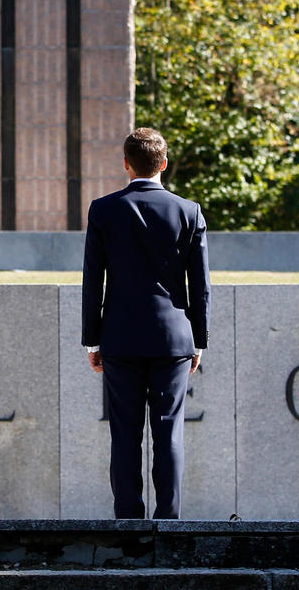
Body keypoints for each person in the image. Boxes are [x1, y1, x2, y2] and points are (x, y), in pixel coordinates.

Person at [81, 127, 210, 520]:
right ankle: (168, 523)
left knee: (125, 436)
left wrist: (92, 341)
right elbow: (200, 286)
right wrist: (199, 342)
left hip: (119, 338)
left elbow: (93, 280)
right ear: (164, 164)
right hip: (173, 339)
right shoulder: (189, 211)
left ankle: (128, 524)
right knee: (169, 433)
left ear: (126, 164)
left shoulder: (103, 210)